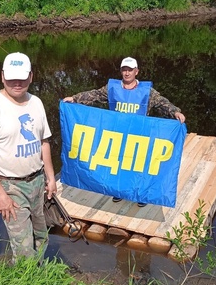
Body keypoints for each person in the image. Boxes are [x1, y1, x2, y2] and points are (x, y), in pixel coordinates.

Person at [63, 56, 185, 205]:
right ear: (121, 71)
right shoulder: (112, 88)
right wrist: (75, 99)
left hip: (139, 137)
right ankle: (118, 191)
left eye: (130, 70)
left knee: (139, 166)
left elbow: (162, 103)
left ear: (136, 71)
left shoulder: (147, 91)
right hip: (118, 135)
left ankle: (140, 195)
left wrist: (175, 112)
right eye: (124, 70)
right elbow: (94, 95)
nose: (127, 73)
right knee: (117, 165)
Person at [0, 52, 57, 263]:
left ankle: (38, 275)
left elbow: (44, 142)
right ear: (2, 76)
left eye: (22, 77)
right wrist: (0, 194)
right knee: (23, 246)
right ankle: (26, 284)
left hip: (37, 182)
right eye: (11, 77)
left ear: (31, 76)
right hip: (11, 186)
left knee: (41, 236)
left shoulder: (36, 103)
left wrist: (51, 177)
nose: (17, 83)